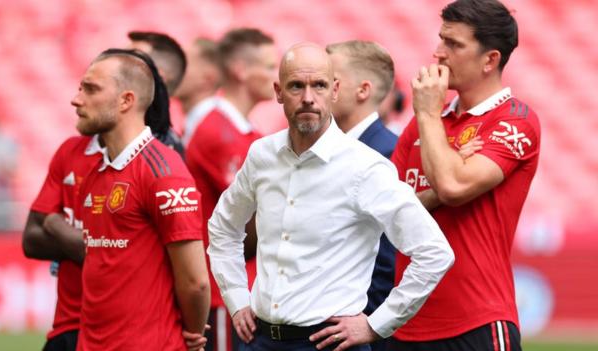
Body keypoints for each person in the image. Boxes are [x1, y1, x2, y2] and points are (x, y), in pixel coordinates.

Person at [207, 42, 454, 351]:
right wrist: (237, 298)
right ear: (278, 92)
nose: (308, 97)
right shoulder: (263, 154)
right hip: (259, 338)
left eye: (319, 85)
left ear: (334, 90)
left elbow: (434, 252)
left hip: (328, 342)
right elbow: (222, 228)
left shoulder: (365, 166)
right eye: (296, 86)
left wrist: (376, 324)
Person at [22, 49, 198, 351]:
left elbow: (194, 279)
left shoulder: (163, 167)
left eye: (90, 89)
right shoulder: (96, 167)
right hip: (81, 333)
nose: (76, 99)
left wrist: (55, 224)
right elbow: (33, 240)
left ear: (127, 99)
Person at [389, 1, 540, 350]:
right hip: (404, 323)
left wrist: (427, 115)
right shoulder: (423, 124)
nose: (438, 53)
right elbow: (387, 213)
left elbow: (453, 185)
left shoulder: (515, 121)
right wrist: (434, 194)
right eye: (441, 39)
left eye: (454, 44)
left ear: (490, 60)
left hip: (477, 322)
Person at [185, 27, 277, 351]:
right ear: (240, 70)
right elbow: (254, 215)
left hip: (243, 284)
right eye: (268, 66)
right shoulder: (217, 130)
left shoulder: (248, 132)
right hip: (221, 290)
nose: (275, 76)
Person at [326, 40, 399, 351]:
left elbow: (389, 253)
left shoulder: (389, 153)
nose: (316, 89)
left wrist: (370, 323)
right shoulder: (324, 150)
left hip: (360, 330)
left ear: (363, 90)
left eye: (330, 79)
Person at [128, 31, 187, 156]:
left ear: (156, 77)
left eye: (129, 61)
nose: (116, 66)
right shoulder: (99, 138)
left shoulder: (164, 154)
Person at [175, 37, 222, 147]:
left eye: (182, 64)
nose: (171, 70)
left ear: (208, 78)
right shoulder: (195, 123)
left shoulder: (212, 129)